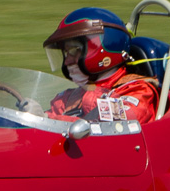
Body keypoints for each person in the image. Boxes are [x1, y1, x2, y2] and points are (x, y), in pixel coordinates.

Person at [31, 7, 159, 125]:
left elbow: (112, 123)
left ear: (104, 48)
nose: (67, 61)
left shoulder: (138, 91)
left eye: (75, 50)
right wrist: (31, 116)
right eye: (65, 53)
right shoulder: (70, 97)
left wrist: (48, 119)